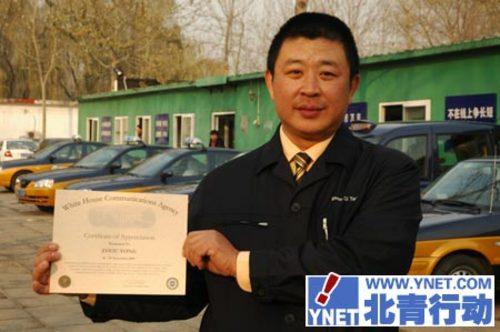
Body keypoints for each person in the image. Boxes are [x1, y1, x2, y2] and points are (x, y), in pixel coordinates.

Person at [32, 13, 422, 331]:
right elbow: (187, 290)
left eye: (327, 74)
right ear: (270, 83)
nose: (310, 89)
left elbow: (366, 275)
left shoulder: (388, 175)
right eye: (295, 72)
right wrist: (86, 281)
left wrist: (238, 263)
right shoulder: (224, 182)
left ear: (352, 85)